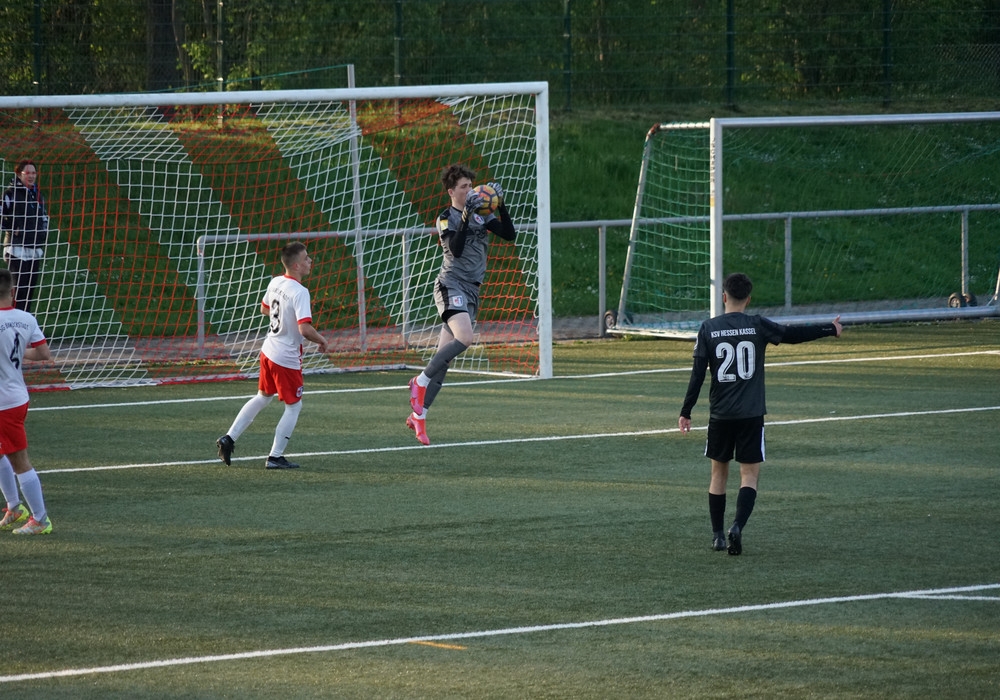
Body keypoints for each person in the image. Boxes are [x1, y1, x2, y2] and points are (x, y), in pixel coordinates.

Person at [678, 272, 842, 555]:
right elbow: (792, 335)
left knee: (718, 474)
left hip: (720, 415)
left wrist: (686, 411)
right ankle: (737, 526)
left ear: (724, 297)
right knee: (749, 476)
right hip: (751, 415)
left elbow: (697, 375)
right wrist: (829, 328)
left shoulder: (708, 328)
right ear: (749, 299)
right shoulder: (757, 325)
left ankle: (717, 536)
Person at [406, 164, 516, 445]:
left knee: (444, 360)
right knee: (465, 338)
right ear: (451, 191)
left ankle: (419, 416)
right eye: (464, 187)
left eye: (470, 186)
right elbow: (455, 249)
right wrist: (465, 216)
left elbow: (509, 234)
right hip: (451, 285)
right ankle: (419, 381)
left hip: (471, 290)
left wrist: (501, 205)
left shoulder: (482, 214)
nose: (469, 190)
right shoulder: (446, 218)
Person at [216, 242, 328, 469]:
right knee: (293, 406)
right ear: (296, 266)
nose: (310, 261)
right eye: (306, 258)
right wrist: (322, 340)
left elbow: (265, 308)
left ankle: (229, 438)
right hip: (286, 357)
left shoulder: (276, 281)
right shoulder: (300, 292)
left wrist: (285, 317)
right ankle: (275, 457)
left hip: (268, 350)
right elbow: (304, 329)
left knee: (263, 397)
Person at [0, 268, 54, 535]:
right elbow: (43, 353)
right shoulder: (26, 318)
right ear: (13, 291)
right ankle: (14, 506)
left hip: (4, 404)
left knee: (19, 460)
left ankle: (41, 520)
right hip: (17, 396)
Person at [1, 160, 50, 313]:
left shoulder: (38, 195)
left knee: (29, 291)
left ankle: (25, 321)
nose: (31, 176)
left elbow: (44, 217)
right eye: (27, 172)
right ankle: (12, 321)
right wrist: (12, 227)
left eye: (34, 173)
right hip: (16, 248)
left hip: (34, 248)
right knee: (18, 290)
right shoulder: (10, 194)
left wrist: (42, 232)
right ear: (19, 174)